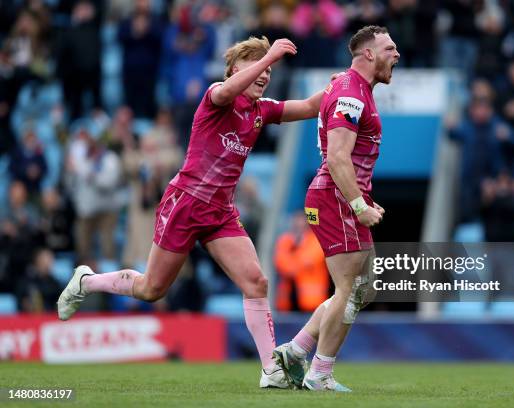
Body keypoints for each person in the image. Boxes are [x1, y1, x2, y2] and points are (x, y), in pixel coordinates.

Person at [57, 35, 333, 389]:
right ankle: (87, 281)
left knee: (256, 282)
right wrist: (271, 57)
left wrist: (348, 85)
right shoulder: (216, 96)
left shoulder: (262, 111)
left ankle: (271, 370)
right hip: (185, 202)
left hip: (220, 212)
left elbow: (311, 107)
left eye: (267, 69)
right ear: (235, 70)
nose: (265, 75)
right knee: (151, 289)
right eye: (255, 66)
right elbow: (226, 90)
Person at [273, 25, 400, 392]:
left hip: (338, 197)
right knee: (350, 288)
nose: (397, 54)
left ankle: (297, 351)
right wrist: (359, 204)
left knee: (365, 287)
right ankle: (319, 373)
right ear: (369, 54)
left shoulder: (350, 87)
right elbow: (338, 157)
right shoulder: (351, 93)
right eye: (389, 48)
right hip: (336, 197)